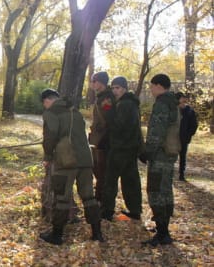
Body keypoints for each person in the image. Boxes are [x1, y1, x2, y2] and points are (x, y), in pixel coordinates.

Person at [39, 88, 104, 245]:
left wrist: (48, 156)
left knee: (62, 197)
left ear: (47, 100)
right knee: (89, 197)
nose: (44, 106)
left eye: (44, 103)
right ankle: (97, 233)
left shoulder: (51, 113)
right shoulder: (75, 111)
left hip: (66, 159)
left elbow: (50, 137)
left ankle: (57, 234)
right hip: (86, 159)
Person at [140, 74, 178, 246]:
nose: (150, 89)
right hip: (170, 153)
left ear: (159, 85)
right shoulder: (174, 103)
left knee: (155, 191)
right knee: (166, 191)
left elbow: (157, 131)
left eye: (152, 86)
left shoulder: (162, 104)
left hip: (160, 155)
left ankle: (163, 233)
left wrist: (147, 151)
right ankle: (164, 229)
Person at [100, 76, 142, 221]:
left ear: (124, 89)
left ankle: (107, 211)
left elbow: (118, 126)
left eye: (117, 88)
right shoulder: (132, 103)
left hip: (120, 148)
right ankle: (135, 210)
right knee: (131, 180)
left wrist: (107, 109)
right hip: (130, 148)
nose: (115, 91)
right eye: (113, 88)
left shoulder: (125, 104)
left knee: (111, 180)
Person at [89, 71, 115, 203]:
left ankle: (101, 200)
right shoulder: (101, 96)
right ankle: (100, 198)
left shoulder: (106, 98)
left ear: (101, 82)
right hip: (98, 139)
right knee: (97, 169)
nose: (92, 84)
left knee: (102, 172)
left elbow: (108, 121)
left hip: (103, 141)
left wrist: (101, 139)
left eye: (94, 81)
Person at [175, 92, 198, 181]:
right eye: (181, 99)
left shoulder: (189, 111)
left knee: (182, 156)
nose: (183, 101)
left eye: (183, 99)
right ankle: (170, 174)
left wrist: (188, 135)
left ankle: (181, 174)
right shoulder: (174, 110)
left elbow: (194, 125)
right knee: (171, 155)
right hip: (174, 138)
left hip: (184, 138)